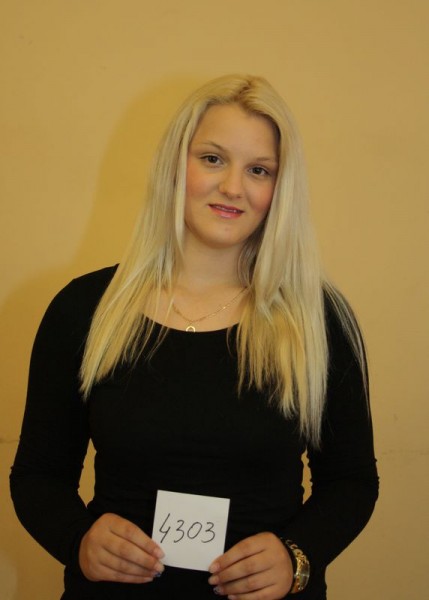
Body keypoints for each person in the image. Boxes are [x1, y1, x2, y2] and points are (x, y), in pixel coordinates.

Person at [10, 74, 378, 599]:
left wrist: (297, 557)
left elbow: (351, 482)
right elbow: (38, 475)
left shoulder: (320, 320)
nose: (233, 187)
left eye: (258, 170)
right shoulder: (84, 309)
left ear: (280, 188)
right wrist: (78, 540)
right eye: (212, 158)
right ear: (175, 165)